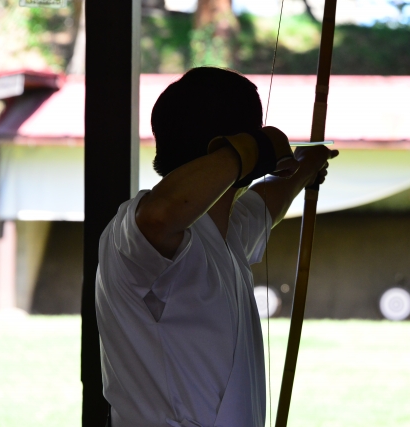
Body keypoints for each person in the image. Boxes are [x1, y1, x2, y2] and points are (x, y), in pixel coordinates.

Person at [95, 67, 338, 427]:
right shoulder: (132, 231)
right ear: (233, 147)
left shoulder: (226, 231)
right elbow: (161, 215)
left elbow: (267, 201)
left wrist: (304, 166)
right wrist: (248, 150)